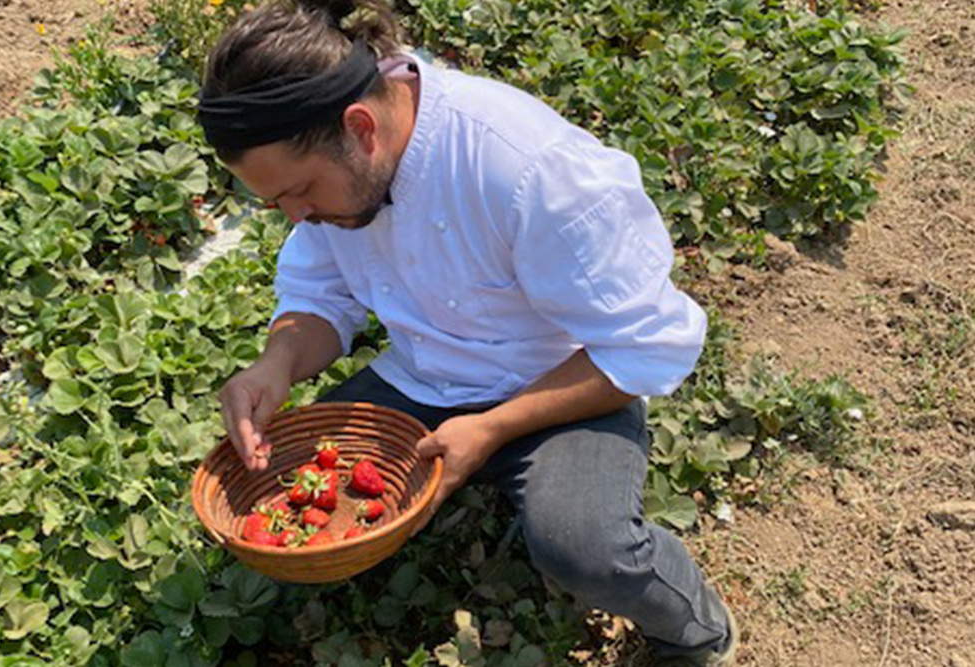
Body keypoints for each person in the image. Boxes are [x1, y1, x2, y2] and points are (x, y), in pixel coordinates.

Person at [198, 0, 738, 663]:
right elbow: (320, 293)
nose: (295, 215)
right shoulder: (335, 174)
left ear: (360, 128)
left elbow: (645, 343)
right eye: (276, 201)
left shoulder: (524, 168)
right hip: (424, 376)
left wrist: (492, 428)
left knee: (584, 548)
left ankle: (696, 629)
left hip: (565, 383)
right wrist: (275, 364)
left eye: (300, 191)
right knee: (293, 483)